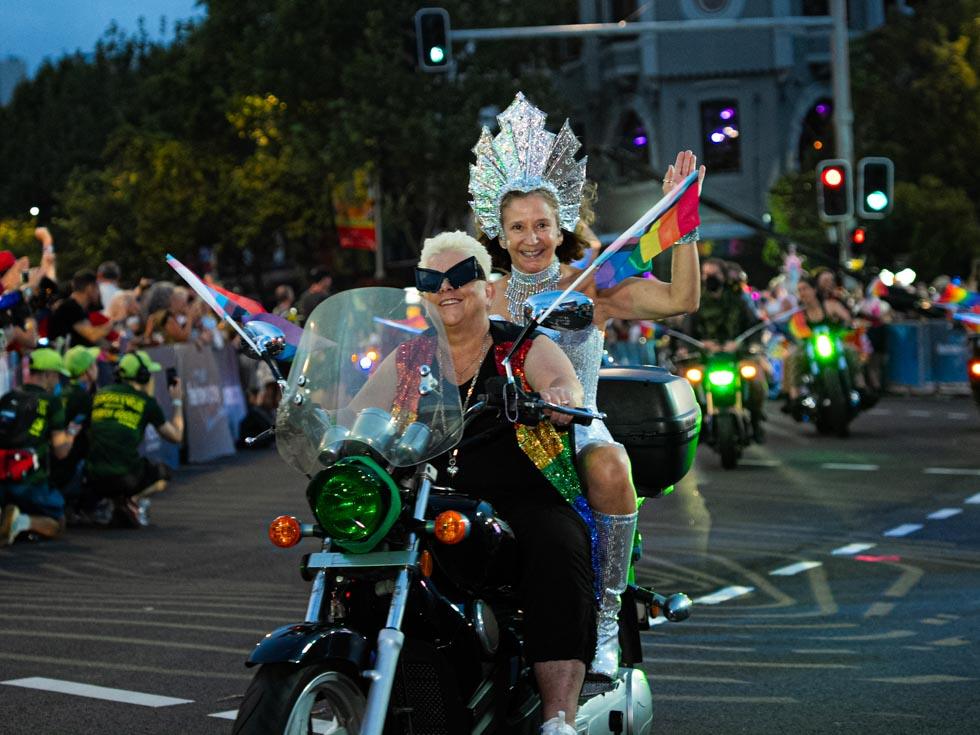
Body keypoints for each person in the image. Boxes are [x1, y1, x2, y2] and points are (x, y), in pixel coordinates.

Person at [469, 92, 702, 686]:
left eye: (541, 225)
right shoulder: (480, 295)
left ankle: (604, 619)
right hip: (496, 436)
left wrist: (683, 221)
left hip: (575, 428)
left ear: (560, 226)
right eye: (518, 227)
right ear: (499, 232)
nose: (531, 238)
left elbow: (681, 299)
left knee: (612, 464)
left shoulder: (590, 286)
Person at [403, 232, 592, 734]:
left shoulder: (520, 345)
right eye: (432, 279)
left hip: (518, 499)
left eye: (461, 276)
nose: (446, 287)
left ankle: (558, 718)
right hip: (430, 504)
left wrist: (558, 397)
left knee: (556, 545)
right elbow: (360, 414)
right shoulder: (409, 358)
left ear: (488, 289)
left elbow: (562, 382)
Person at [85, 351, 183, 527]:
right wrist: (177, 402)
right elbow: (176, 436)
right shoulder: (146, 402)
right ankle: (132, 501)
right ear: (143, 376)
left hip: (91, 477)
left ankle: (113, 504)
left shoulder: (101, 394)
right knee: (163, 473)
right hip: (124, 478)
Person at [683, 258, 769, 439]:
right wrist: (697, 345)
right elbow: (687, 332)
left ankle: (755, 419)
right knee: (687, 385)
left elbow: (753, 324)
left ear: (723, 275)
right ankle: (696, 424)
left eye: (714, 274)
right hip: (706, 357)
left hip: (737, 355)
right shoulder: (696, 301)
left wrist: (744, 344)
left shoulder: (738, 299)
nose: (709, 278)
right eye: (705, 274)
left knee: (756, 380)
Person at [0, 349, 78, 546]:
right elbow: (61, 452)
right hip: (30, 480)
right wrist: (72, 434)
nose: (58, 381)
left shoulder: (7, 397)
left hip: (2, 478)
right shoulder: (52, 402)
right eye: (57, 375)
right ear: (48, 374)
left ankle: (9, 517)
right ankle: (21, 522)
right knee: (58, 524)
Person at [783, 275, 859, 406]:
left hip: (834, 342)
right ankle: (794, 397)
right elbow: (794, 331)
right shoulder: (799, 314)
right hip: (809, 346)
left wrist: (846, 326)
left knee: (851, 351)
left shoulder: (830, 305)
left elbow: (847, 320)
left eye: (805, 288)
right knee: (793, 357)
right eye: (799, 290)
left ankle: (861, 386)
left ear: (814, 289)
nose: (802, 293)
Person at [51, 346, 100, 516]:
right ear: (88, 370)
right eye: (94, 364)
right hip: (69, 468)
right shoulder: (83, 398)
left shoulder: (62, 392)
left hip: (55, 465)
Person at [47, 269, 114, 348]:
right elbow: (92, 335)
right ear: (90, 288)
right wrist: (114, 321)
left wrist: (111, 348)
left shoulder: (78, 308)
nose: (99, 292)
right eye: (97, 288)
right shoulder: (70, 307)